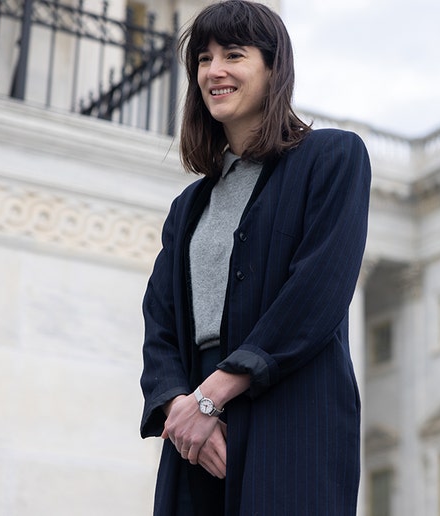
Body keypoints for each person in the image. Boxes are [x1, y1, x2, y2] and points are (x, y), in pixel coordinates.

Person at [139, 1, 370, 514]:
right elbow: (160, 322)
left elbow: (317, 293)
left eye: (234, 55)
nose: (214, 71)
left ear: (273, 68)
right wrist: (181, 405)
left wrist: (210, 397)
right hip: (194, 436)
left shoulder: (332, 159)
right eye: (203, 58)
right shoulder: (189, 207)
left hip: (289, 414)